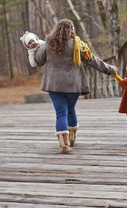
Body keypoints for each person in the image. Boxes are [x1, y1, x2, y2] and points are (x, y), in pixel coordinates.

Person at [29, 19, 117, 154]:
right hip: (73, 85)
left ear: (56, 29)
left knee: (61, 114)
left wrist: (34, 49)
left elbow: (39, 61)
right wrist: (109, 69)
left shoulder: (48, 44)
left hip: (54, 84)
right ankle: (72, 138)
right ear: (72, 30)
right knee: (70, 110)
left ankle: (63, 144)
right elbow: (92, 60)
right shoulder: (78, 45)